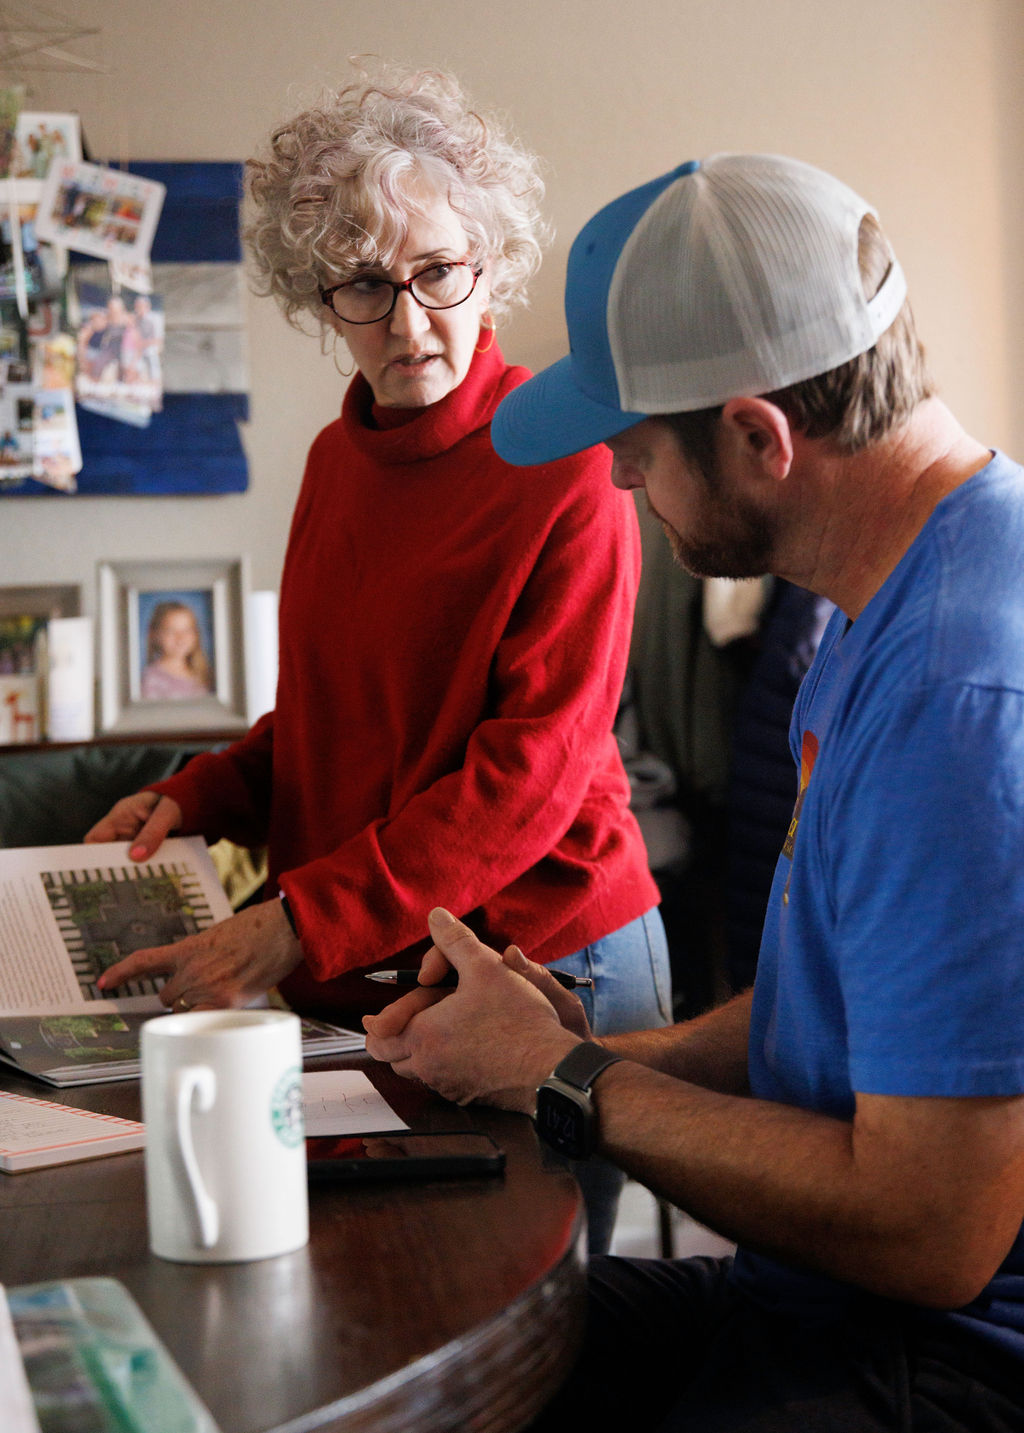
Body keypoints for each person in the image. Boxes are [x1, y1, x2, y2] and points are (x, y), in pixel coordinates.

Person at [363, 153, 1024, 1430]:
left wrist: (567, 1081)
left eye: (631, 449)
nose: (616, 482)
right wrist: (556, 1054)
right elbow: (825, 1014)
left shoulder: (955, 695)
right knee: (436, 1339)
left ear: (756, 438)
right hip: (823, 1298)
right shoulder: (892, 593)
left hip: (941, 1359)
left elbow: (932, 1228)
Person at [86, 67, 669, 1246]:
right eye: (364, 285)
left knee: (544, 1326)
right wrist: (192, 795)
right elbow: (329, 716)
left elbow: (527, 777)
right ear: (322, 299)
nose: (407, 324)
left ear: (491, 261)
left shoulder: (567, 469)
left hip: (547, 951)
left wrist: (297, 920)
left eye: (437, 272)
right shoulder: (333, 461)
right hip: (376, 952)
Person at [139, 599, 213, 701]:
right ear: (155, 635)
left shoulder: (204, 674)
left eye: (187, 630)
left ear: (196, 634)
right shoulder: (151, 679)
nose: (181, 638)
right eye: (170, 631)